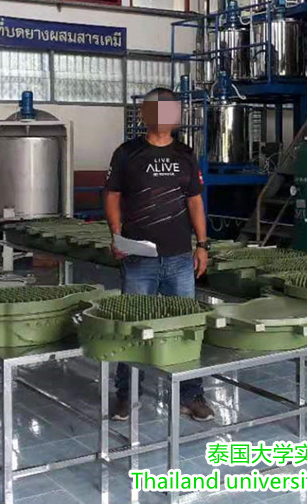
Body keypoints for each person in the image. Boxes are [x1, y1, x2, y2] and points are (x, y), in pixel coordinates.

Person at [103, 87, 214, 423]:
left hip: (179, 258)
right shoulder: (127, 153)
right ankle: (127, 395)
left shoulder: (185, 153)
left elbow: (194, 201)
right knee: (133, 328)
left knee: (185, 327)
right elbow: (112, 195)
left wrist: (202, 245)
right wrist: (117, 234)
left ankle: (191, 396)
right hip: (139, 259)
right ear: (145, 114)